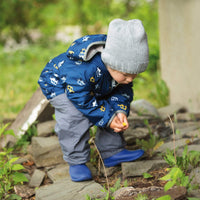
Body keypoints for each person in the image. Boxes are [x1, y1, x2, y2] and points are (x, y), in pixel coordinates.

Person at [38, 18, 149, 182]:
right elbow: (80, 98)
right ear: (111, 63)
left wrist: (119, 111)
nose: (130, 79)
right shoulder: (86, 68)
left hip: (94, 84)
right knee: (74, 116)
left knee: (111, 108)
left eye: (134, 75)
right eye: (126, 75)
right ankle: (76, 162)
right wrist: (107, 117)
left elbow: (122, 91)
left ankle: (112, 151)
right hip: (60, 85)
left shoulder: (121, 73)